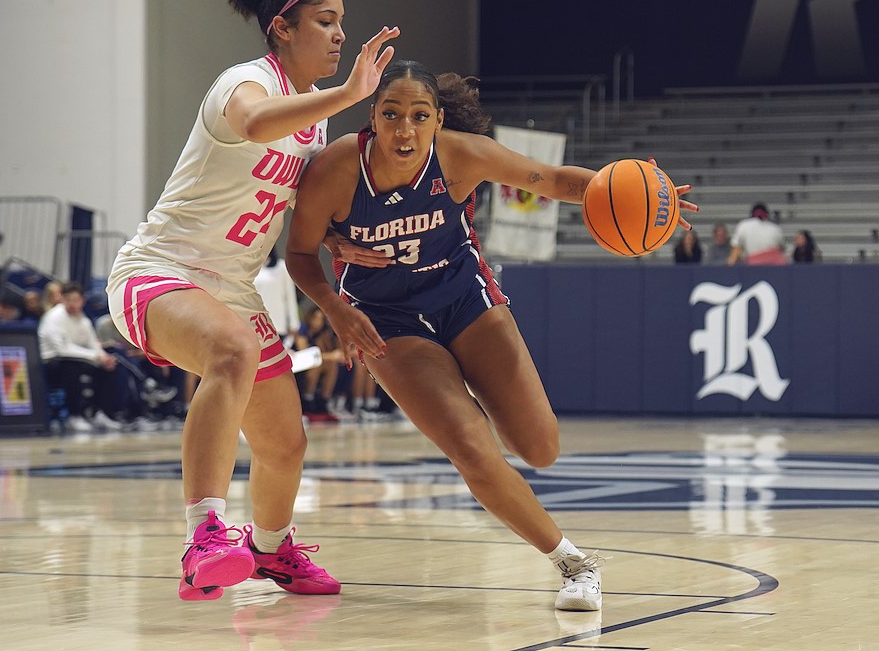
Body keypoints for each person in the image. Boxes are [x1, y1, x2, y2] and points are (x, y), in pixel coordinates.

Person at [284, 60, 698, 611]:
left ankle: (474, 396)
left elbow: (552, 180)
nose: (405, 129)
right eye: (391, 114)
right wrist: (335, 310)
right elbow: (297, 254)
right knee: (472, 447)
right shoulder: (336, 168)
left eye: (419, 116)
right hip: (385, 316)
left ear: (438, 121)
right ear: (372, 117)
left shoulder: (462, 155)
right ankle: (574, 564)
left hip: (462, 296)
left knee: (540, 447)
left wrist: (642, 196)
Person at [104, 0, 399, 601]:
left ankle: (270, 550)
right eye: (326, 21)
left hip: (232, 289)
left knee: (285, 442)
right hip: (160, 270)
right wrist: (351, 94)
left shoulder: (315, 118)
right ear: (282, 29)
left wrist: (337, 241)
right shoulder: (245, 82)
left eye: (342, 22)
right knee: (232, 350)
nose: (341, 35)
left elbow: (297, 210)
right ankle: (205, 536)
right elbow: (255, 124)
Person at [38, 281, 123, 433]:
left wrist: (104, 357)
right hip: (51, 362)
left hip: (78, 359)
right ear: (63, 299)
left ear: (82, 301)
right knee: (73, 367)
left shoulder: (84, 319)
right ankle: (74, 415)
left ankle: (100, 413)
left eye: (75, 300)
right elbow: (62, 349)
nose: (72, 304)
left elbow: (93, 344)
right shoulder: (54, 317)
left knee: (109, 368)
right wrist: (95, 356)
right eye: (68, 300)